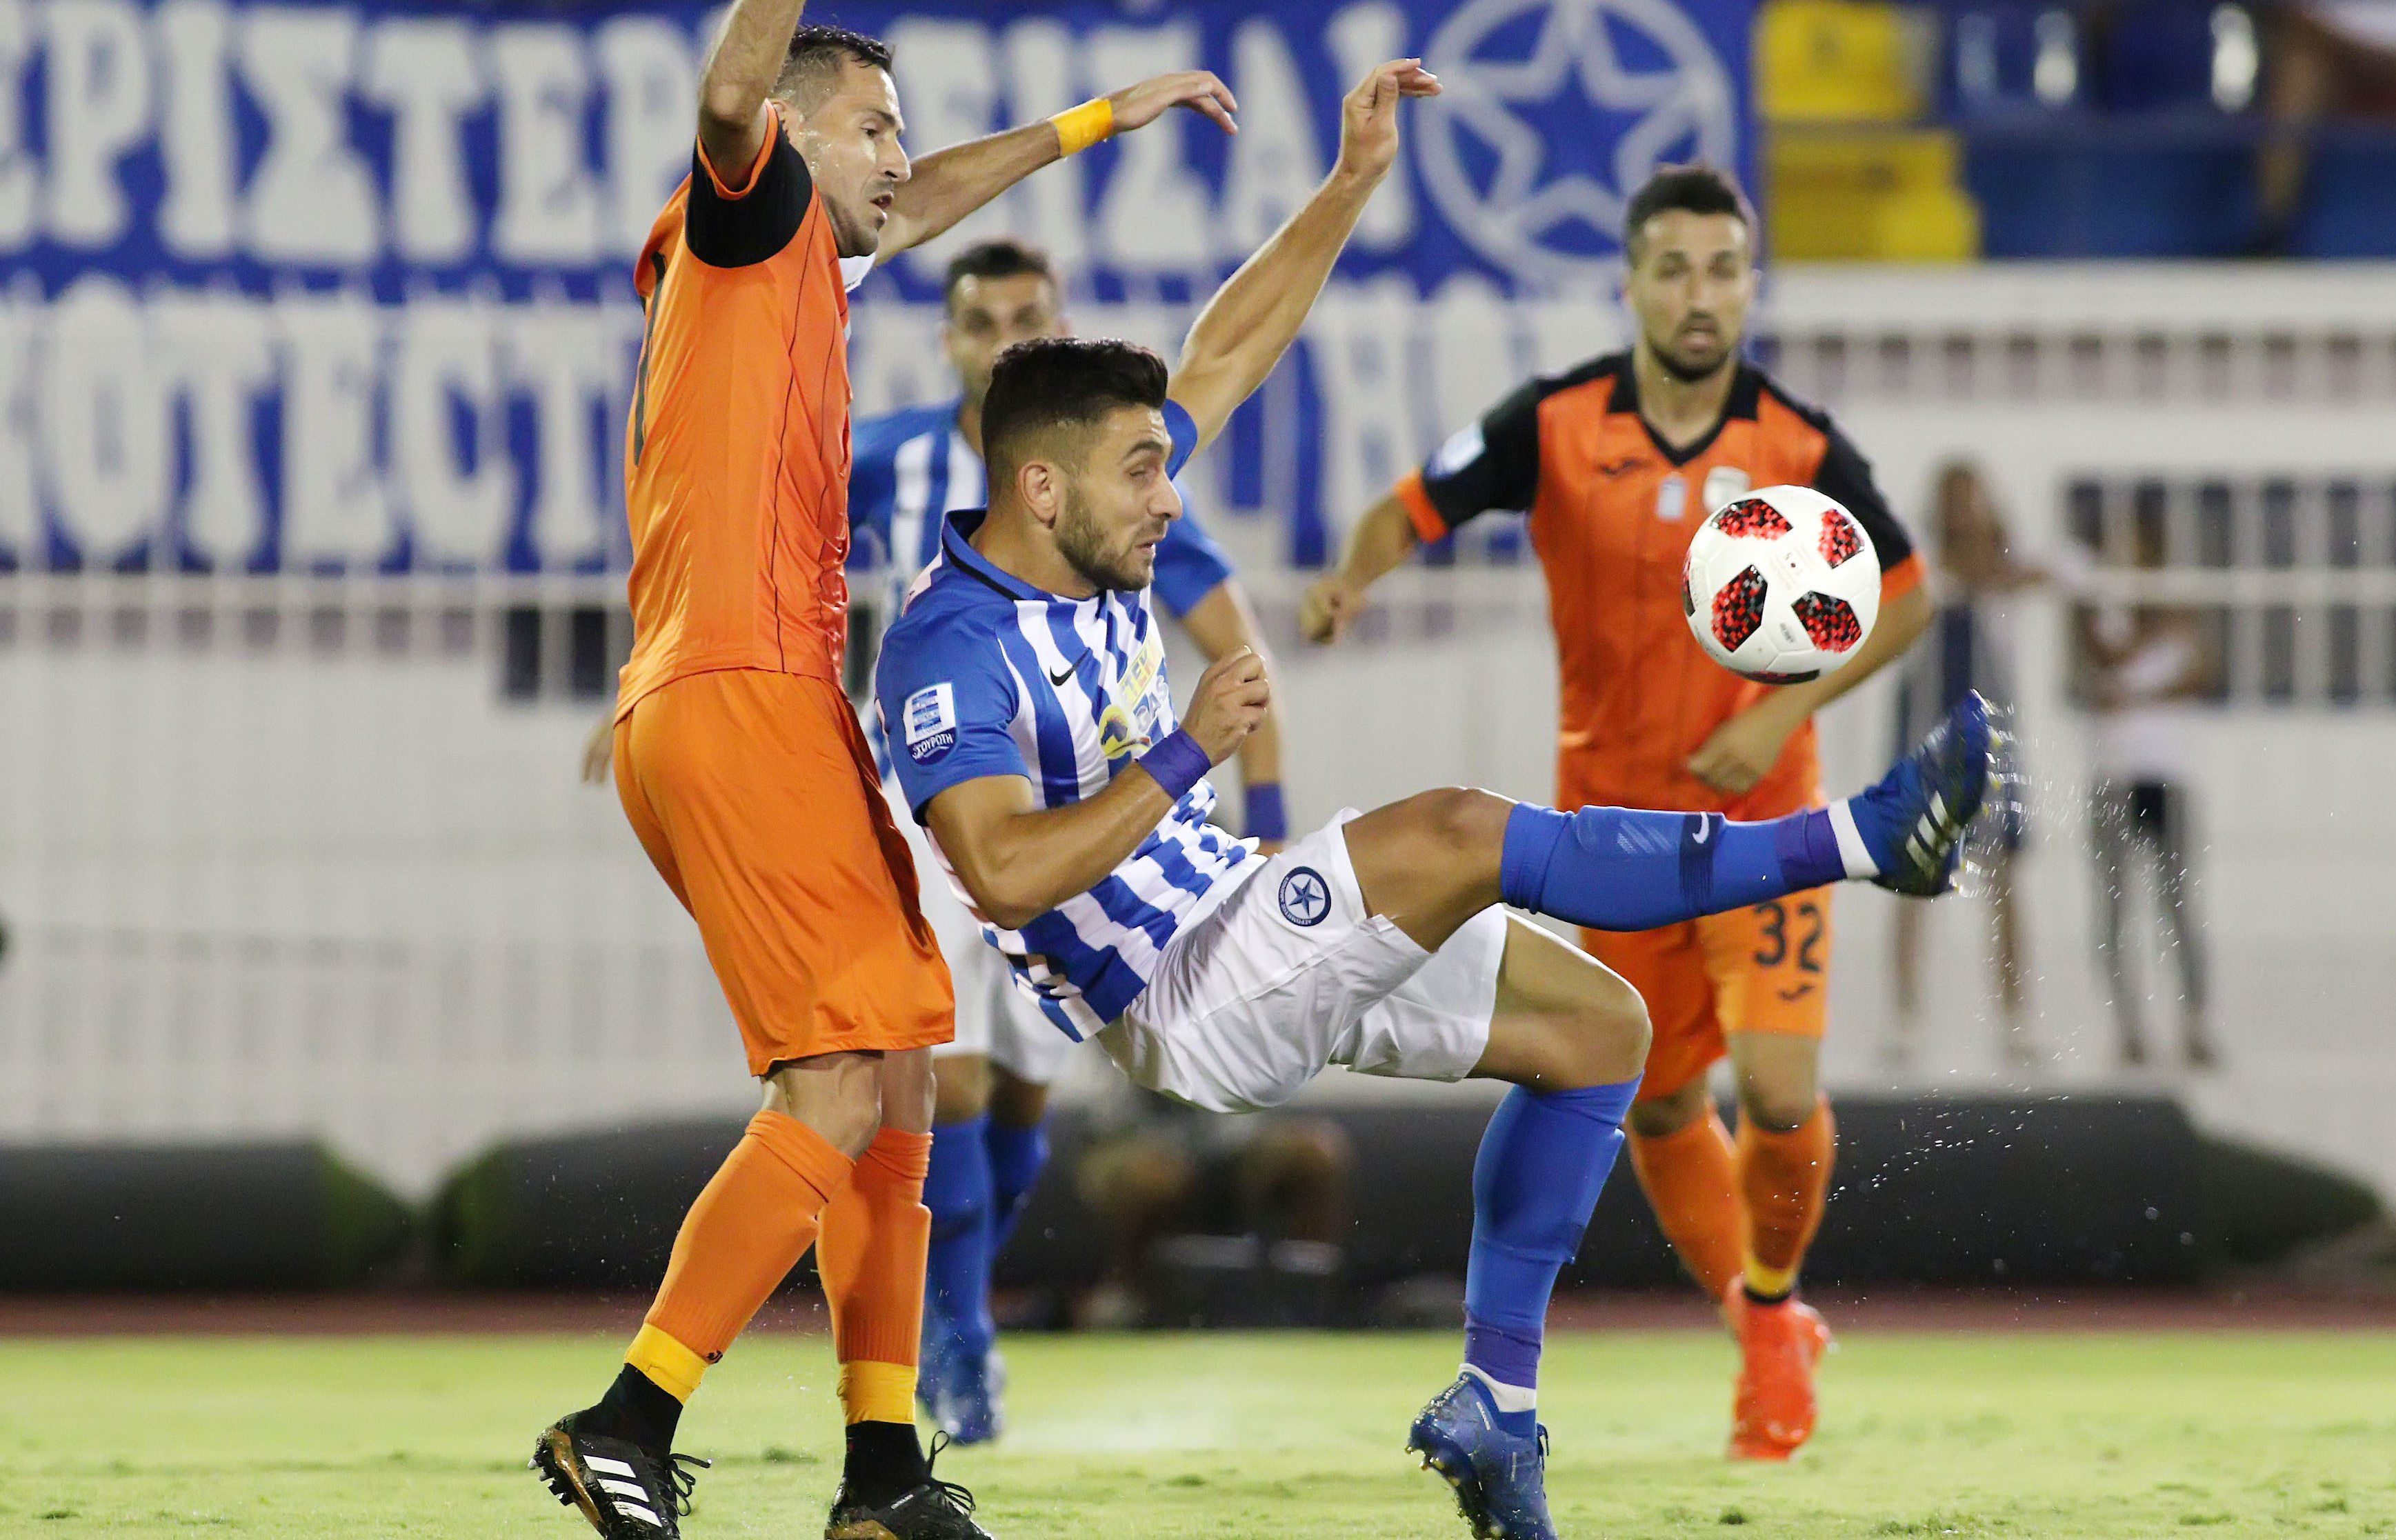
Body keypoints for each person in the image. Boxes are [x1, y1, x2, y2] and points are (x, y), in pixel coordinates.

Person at [873, 83, 1993, 1540]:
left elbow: (1231, 344)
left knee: (1597, 1031)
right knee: (1461, 829)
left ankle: (1496, 1406)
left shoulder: (1088, 533)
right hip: (1177, 991)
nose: (1170, 497)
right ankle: (1857, 841)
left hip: (1229, 910)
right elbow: (1002, 871)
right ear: (1042, 487)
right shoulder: (949, 646)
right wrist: (1185, 755)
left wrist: (1351, 181)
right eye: (1143, 471)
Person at [528, 6, 1241, 1534]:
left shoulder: (797, 256)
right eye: (873, 126)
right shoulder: (743, 206)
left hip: (755, 700)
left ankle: (880, 1471)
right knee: (845, 1074)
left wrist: (1096, 120)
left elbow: (914, 206)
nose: (900, 159)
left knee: (903, 1066)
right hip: (743, 693)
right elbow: (734, 89)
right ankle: (630, 1416)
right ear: (790, 139)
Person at [1299, 165, 1933, 1463]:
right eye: (1673, 268)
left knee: (1776, 1090)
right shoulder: (1553, 423)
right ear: (1633, 282)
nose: (1700, 294)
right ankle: (1760, 1323)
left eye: (1723, 269)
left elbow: (1909, 594)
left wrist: (1778, 714)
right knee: (1655, 1104)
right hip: (1612, 845)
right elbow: (1408, 507)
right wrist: (1350, 579)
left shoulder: (1800, 448)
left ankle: (1770, 1307)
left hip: (1761, 826)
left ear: (1749, 285)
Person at [847, 237, 1290, 1442]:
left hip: (1083, 819)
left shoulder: (1109, 478)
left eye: (1025, 318)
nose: (1002, 338)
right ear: (946, 340)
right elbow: (757, 549)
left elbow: (1236, 642)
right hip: (931, 810)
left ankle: (955, 1304)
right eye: (980, 320)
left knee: (1020, 1110)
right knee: (948, 1076)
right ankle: (955, 1335)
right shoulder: (882, 461)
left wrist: (1268, 823)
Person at [1888, 460, 2045, 1070]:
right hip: (1927, 731)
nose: (1962, 513)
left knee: (2002, 876)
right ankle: (1905, 1015)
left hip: (1989, 736)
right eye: (1953, 500)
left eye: (1971, 500)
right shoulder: (1920, 562)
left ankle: (2015, 1014)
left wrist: (1997, 569)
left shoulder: (2004, 568)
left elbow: (2051, 571)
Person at [2077, 511, 2217, 1070]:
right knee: (2115, 911)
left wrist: (2132, 693)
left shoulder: (2176, 613)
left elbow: (2199, 674)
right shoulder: (2106, 614)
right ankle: (2130, 1029)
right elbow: (2098, 669)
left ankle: (2196, 1023)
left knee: (2178, 905)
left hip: (2168, 772)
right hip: (2115, 774)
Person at [1075, 1083, 1352, 1328]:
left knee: (1314, 1154)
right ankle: (1126, 1294)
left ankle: (1313, 1296)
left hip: (1235, 1140)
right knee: (1150, 1177)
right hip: (1136, 1136)